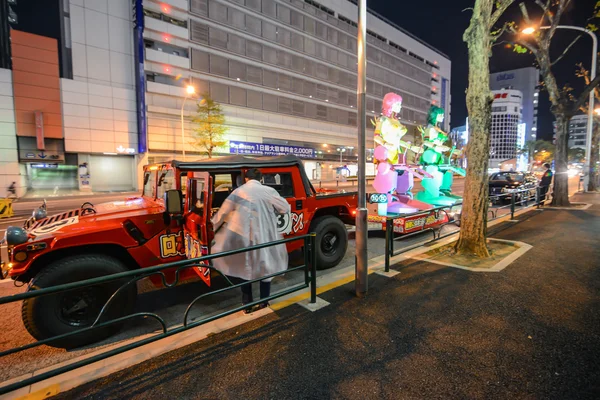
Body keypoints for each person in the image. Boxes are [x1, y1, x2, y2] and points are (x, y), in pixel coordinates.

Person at [211, 168, 291, 313]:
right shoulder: (269, 191)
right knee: (264, 267)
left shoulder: (238, 192)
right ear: (260, 179)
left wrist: (214, 226)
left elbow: (222, 213)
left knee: (245, 267)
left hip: (243, 237)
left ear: (246, 179)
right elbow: (285, 208)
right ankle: (264, 302)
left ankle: (247, 304)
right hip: (264, 236)